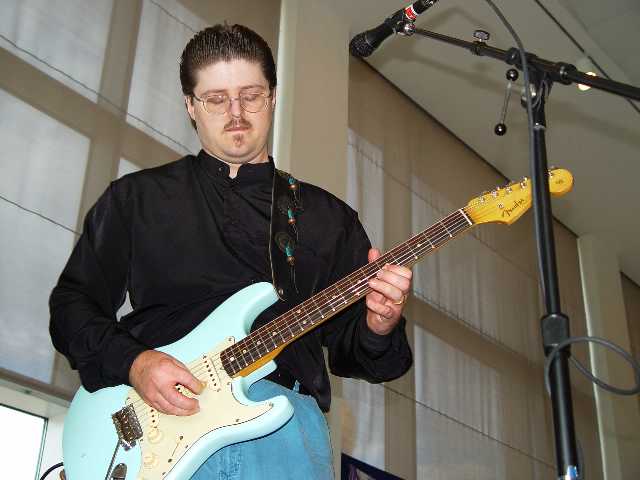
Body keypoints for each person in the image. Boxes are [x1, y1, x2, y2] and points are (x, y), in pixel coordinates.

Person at [50, 24, 413, 479]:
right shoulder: (136, 198)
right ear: (191, 106)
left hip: (282, 432)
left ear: (273, 98)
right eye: (216, 99)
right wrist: (135, 363)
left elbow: (361, 354)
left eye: (251, 95)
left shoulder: (328, 218)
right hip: (156, 426)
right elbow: (72, 306)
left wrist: (380, 324)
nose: (236, 113)